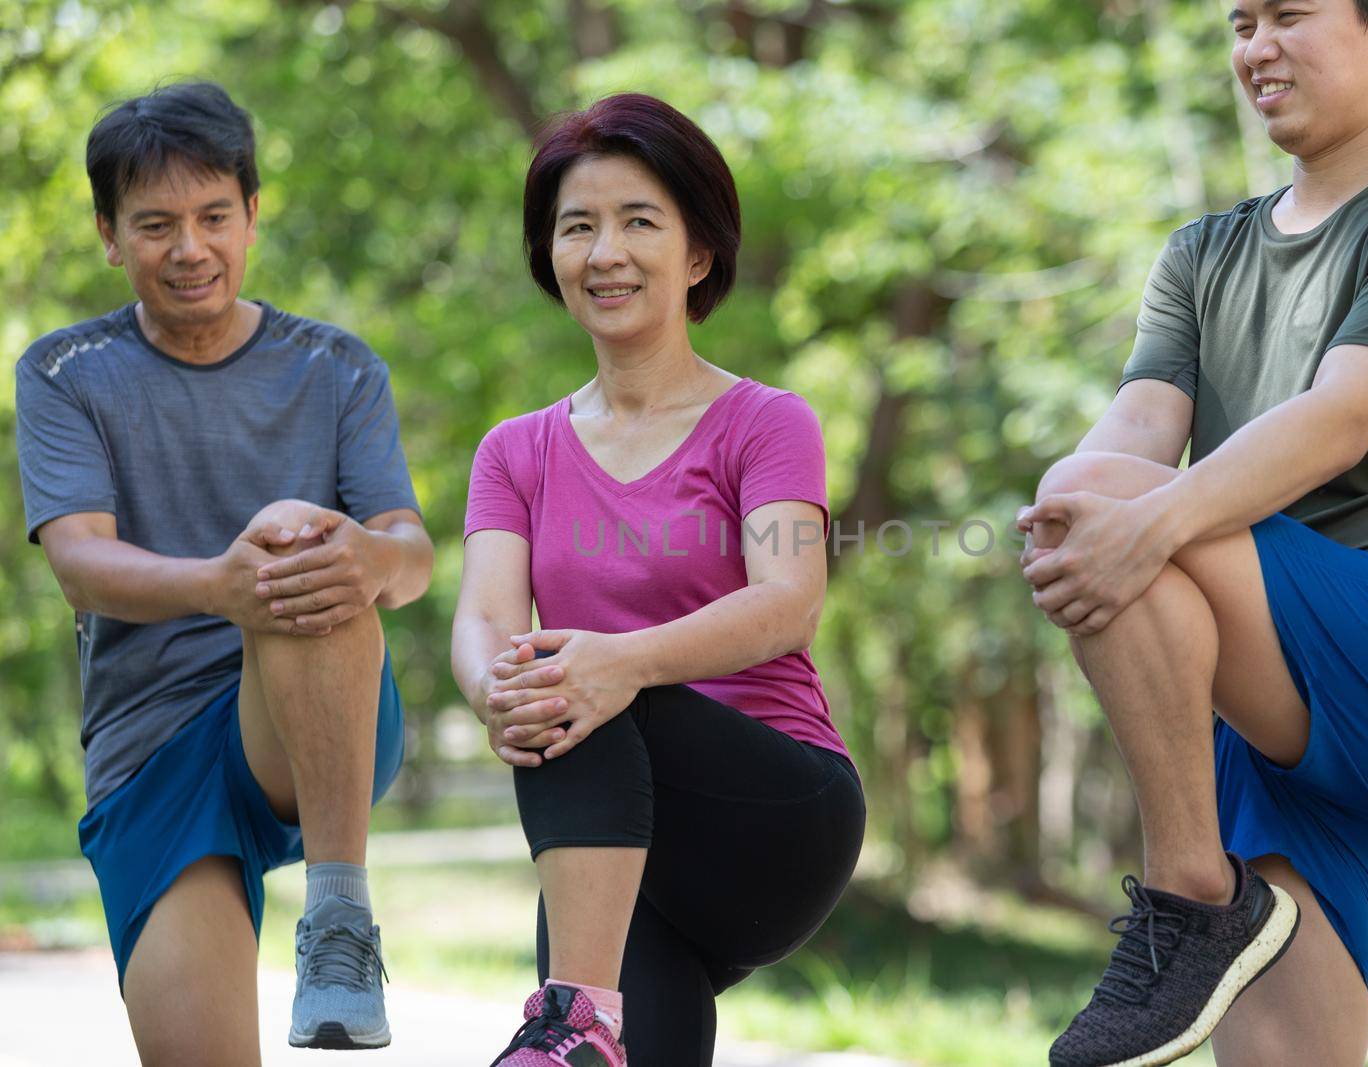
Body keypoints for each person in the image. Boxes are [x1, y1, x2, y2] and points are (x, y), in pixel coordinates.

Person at [1017, 0, 1368, 1063]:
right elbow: (1139, 428)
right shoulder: (1203, 252)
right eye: (1241, 22)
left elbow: (1341, 416)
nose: (1255, 47)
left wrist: (1122, 516)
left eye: (1288, 14)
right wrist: (1067, 514)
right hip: (1260, 704)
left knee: (1108, 497)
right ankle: (1212, 904)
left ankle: (1186, 890)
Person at [15, 81, 432, 1062]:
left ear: (252, 214)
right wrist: (220, 585)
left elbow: (408, 552)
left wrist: (368, 555)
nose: (189, 247)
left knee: (303, 536)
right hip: (151, 741)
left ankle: (340, 922)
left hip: (317, 720)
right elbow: (79, 559)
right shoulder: (64, 372)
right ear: (111, 235)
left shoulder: (337, 366)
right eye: (155, 223)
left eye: (213, 217)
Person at [452, 92, 865, 1067]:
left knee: (570, 679)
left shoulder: (766, 422)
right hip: (617, 839)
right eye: (577, 226)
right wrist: (492, 689)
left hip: (775, 809)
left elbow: (787, 603)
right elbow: (482, 614)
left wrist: (616, 664)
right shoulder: (515, 451)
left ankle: (575, 1012)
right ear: (549, 255)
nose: (605, 252)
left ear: (697, 253)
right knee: (541, 674)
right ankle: (580, 1017)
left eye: (639, 221)